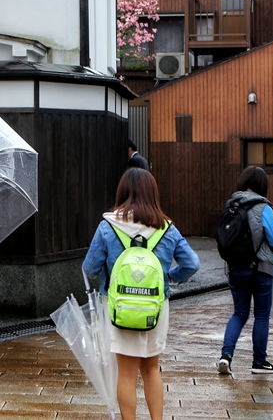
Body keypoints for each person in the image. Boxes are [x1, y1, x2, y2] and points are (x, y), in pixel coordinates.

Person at [83, 168, 199, 420]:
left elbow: (89, 268)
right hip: (155, 308)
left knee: (126, 373)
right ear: (153, 194)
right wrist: (169, 278)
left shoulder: (108, 226)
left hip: (119, 306)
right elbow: (192, 263)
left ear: (122, 192)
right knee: (151, 368)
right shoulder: (166, 228)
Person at [217, 166, 273, 375]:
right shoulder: (264, 208)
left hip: (237, 268)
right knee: (261, 316)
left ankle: (225, 356)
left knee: (239, 313)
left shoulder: (232, 206)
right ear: (262, 185)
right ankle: (259, 361)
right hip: (262, 269)